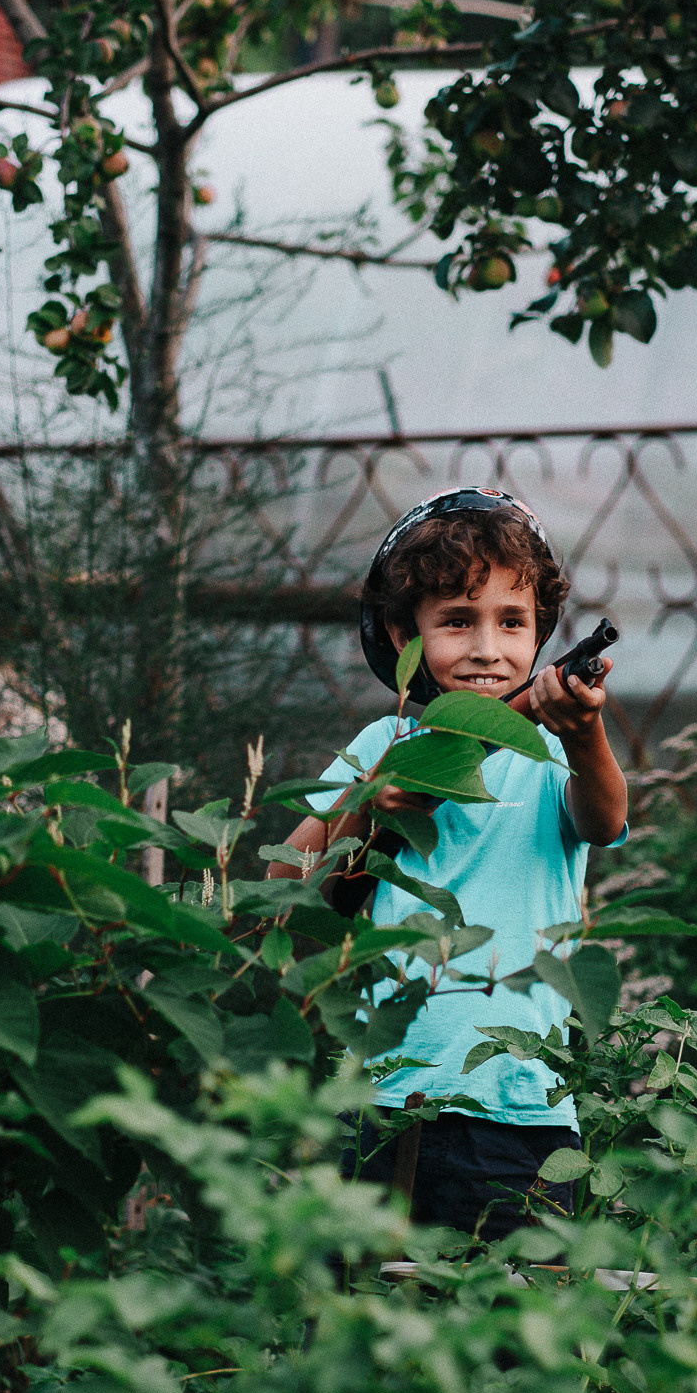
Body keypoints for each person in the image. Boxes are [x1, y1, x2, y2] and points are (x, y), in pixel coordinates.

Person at [268, 488, 628, 1239]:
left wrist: (587, 733)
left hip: (521, 1105)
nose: (487, 649)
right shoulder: (383, 745)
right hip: (384, 1096)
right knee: (360, 1323)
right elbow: (284, 885)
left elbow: (606, 818)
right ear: (406, 635)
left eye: (512, 622)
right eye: (457, 621)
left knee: (507, 1332)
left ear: (541, 635)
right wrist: (369, 803)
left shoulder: (551, 752)